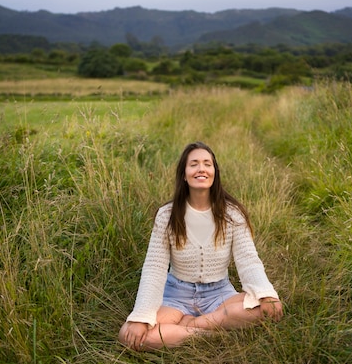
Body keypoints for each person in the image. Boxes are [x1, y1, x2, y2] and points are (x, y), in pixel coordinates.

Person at [118, 141, 283, 351]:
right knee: (129, 335)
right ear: (184, 174)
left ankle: (191, 325)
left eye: (207, 163)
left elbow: (248, 260)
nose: (201, 169)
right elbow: (154, 268)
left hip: (219, 294)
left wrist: (266, 294)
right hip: (176, 294)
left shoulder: (232, 214)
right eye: (194, 164)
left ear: (214, 173)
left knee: (267, 309)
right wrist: (142, 316)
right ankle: (209, 334)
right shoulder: (167, 215)